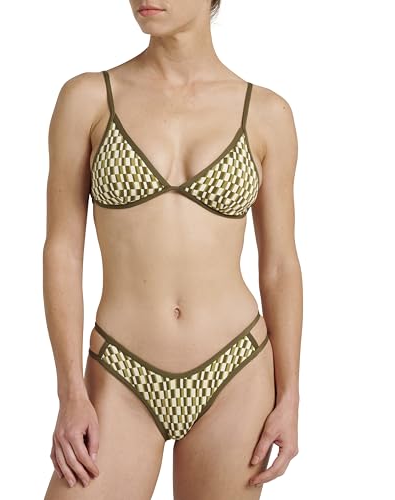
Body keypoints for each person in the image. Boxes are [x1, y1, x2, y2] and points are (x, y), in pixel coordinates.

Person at [43, 1, 302, 498]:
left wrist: (289, 395)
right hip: (120, 372)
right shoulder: (88, 98)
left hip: (235, 370)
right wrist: (70, 391)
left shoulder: (267, 113)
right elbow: (62, 252)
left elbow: (279, 265)